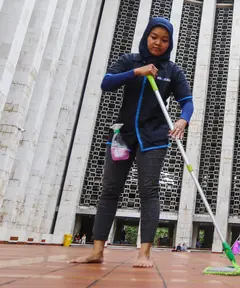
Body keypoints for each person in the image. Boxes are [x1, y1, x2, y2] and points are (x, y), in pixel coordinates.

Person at [70, 17, 194, 268]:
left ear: (170, 43)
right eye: (154, 37)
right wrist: (138, 71)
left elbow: (187, 102)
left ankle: (144, 253)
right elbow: (107, 83)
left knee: (149, 191)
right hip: (123, 136)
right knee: (109, 191)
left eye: (164, 39)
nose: (158, 42)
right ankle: (97, 251)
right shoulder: (130, 61)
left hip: (154, 138)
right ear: (147, 36)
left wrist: (182, 120)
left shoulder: (172, 71)